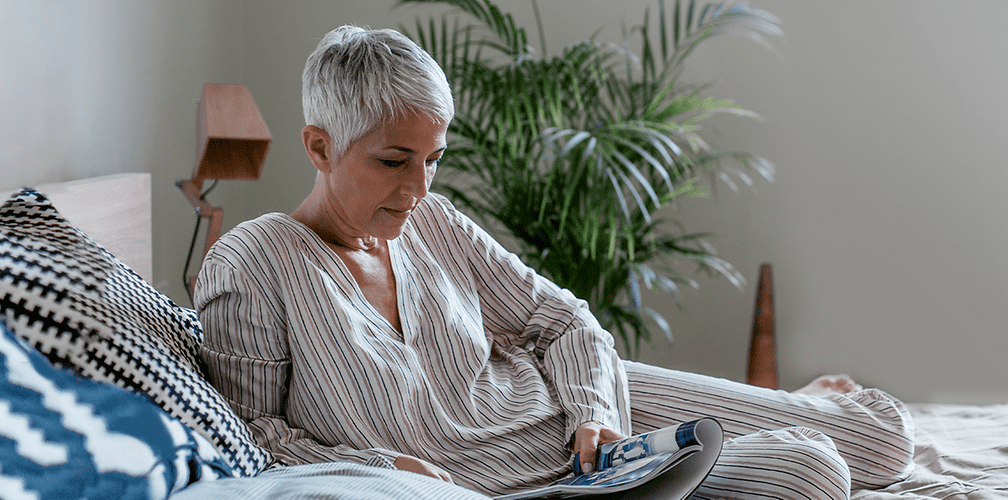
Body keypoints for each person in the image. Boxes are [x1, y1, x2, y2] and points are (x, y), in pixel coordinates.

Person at [195, 25, 915, 500]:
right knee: (815, 470)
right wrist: (383, 470)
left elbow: (563, 320)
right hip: (546, 485)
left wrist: (594, 409)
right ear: (320, 148)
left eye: (434, 160)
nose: (418, 189)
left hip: (583, 413)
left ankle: (807, 403)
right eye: (393, 162)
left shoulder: (435, 221)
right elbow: (247, 432)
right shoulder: (251, 263)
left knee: (884, 441)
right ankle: (791, 417)